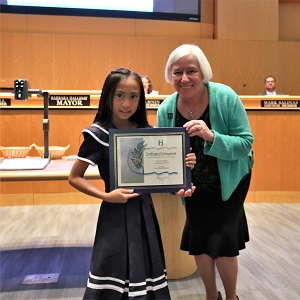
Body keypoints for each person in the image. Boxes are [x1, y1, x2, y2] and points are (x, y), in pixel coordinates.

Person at [68, 67, 196, 300]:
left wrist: (184, 168)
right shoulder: (98, 134)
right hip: (114, 214)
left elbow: (161, 178)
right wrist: (107, 196)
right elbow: (74, 177)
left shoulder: (148, 132)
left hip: (145, 212)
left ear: (141, 99)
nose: (126, 103)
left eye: (133, 96)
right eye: (119, 95)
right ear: (108, 96)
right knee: (111, 269)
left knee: (146, 267)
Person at [157, 44, 254, 300]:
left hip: (230, 179)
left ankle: (231, 297)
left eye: (192, 71)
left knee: (223, 242)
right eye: (177, 72)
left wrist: (211, 136)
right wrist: (173, 181)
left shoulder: (225, 97)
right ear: (170, 75)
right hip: (194, 184)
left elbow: (245, 144)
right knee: (199, 240)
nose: (184, 78)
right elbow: (165, 157)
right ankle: (212, 296)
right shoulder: (166, 109)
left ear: (203, 73)